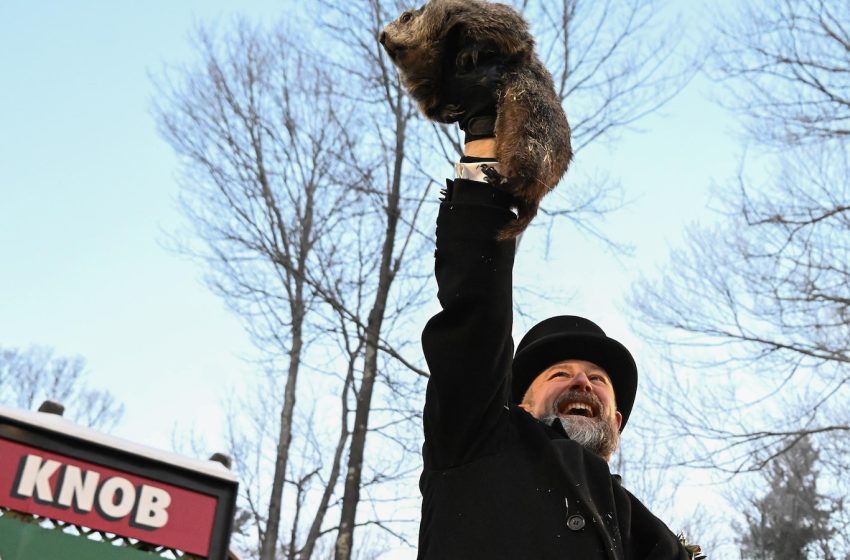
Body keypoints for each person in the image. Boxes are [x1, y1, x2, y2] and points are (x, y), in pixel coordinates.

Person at [417, 63, 690, 560]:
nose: (582, 383)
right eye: (559, 373)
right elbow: (475, 321)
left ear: (618, 421)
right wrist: (488, 154)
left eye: (596, 379)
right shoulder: (479, 443)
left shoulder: (654, 542)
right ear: (520, 405)